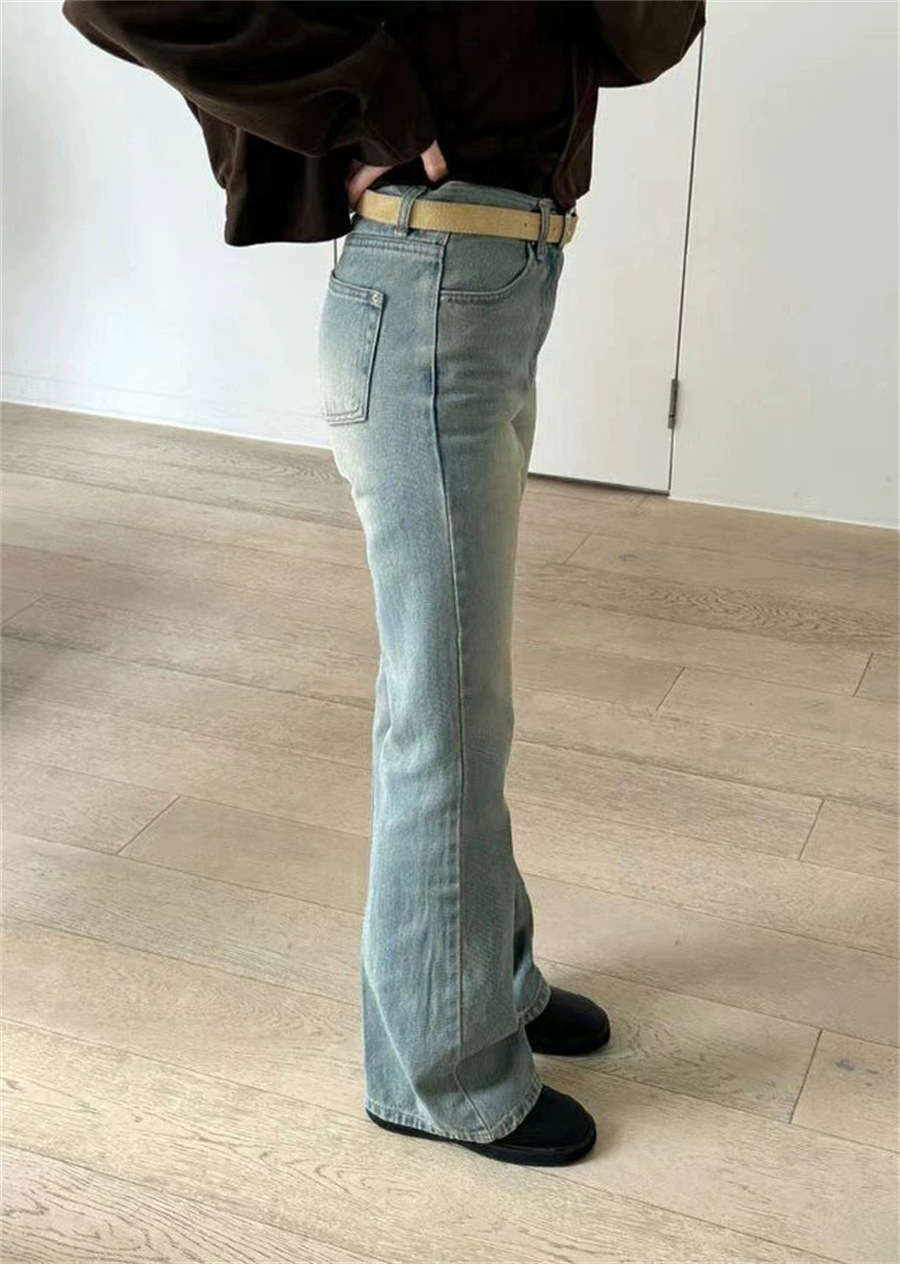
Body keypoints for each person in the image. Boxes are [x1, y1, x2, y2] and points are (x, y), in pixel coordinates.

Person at [61, 0, 706, 1167]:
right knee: (440, 705)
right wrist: (371, 104)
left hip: (503, 276)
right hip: (429, 283)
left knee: (466, 696)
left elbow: (642, 41)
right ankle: (439, 1074)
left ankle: (487, 981)